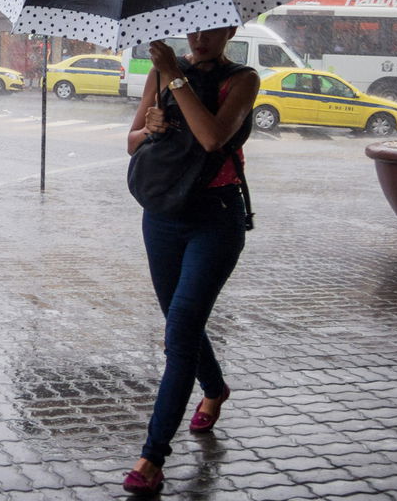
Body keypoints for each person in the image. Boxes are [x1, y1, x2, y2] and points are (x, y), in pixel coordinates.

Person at [122, 25, 261, 496]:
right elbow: (131, 141)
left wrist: (174, 77)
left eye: (212, 30)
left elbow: (211, 138)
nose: (200, 38)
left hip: (215, 219)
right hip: (162, 213)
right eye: (194, 30)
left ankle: (152, 457)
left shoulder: (242, 79)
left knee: (179, 332)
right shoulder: (162, 74)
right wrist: (150, 128)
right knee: (182, 324)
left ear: (230, 29)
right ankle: (215, 389)